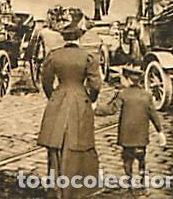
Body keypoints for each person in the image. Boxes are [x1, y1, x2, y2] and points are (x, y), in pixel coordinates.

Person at [37, 14, 102, 199]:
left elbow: (46, 81)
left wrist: (54, 96)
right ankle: (77, 189)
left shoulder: (54, 55)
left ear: (64, 38)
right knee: (78, 144)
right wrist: (93, 99)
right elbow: (96, 84)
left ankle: (56, 190)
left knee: (55, 144)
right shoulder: (88, 56)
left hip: (58, 99)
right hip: (80, 99)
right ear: (79, 37)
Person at [95, 65, 166, 196]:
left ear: (127, 80)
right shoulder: (147, 95)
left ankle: (129, 185)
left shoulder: (123, 94)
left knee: (127, 160)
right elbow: (153, 115)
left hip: (127, 138)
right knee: (141, 159)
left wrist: (95, 108)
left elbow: (111, 109)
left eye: (122, 78)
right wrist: (160, 132)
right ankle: (143, 183)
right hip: (141, 137)